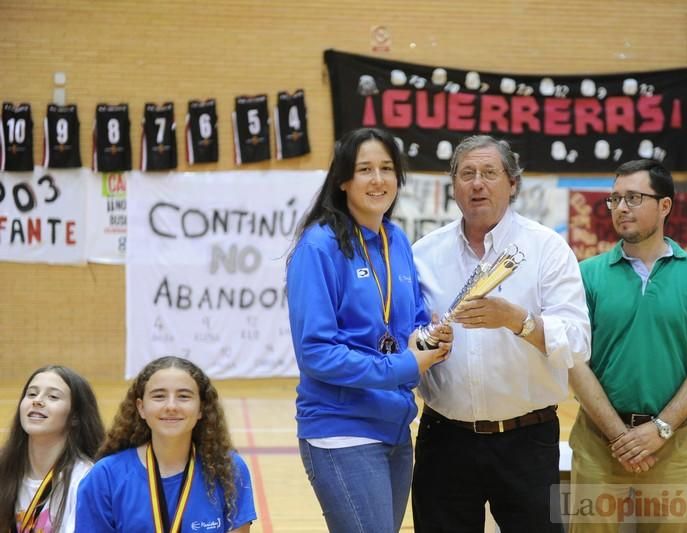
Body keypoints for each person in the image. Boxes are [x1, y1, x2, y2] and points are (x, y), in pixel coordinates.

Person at [411, 135, 591, 532]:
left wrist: (518, 321)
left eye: (490, 173)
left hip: (527, 439)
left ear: (513, 183)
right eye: (467, 174)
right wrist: (427, 340)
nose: (478, 183)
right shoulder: (423, 255)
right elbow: (407, 338)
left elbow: (578, 341)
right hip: (445, 438)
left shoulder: (547, 248)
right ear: (453, 186)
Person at [286, 127, 452, 533]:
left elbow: (409, 321)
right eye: (365, 169)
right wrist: (405, 366)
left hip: (395, 426)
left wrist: (428, 339)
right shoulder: (319, 246)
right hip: (341, 428)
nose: (378, 180)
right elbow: (317, 352)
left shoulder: (395, 239)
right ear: (343, 179)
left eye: (386, 169)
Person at [568, 159, 687, 532]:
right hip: (599, 444)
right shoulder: (586, 274)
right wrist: (619, 436)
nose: (621, 207)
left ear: (665, 206)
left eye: (634, 198)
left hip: (672, 445)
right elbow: (574, 362)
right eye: (615, 199)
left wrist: (660, 429)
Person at [76, 356, 256, 532]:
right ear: (141, 408)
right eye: (159, 396)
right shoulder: (105, 476)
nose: (171, 406)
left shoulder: (228, 469)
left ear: (201, 408)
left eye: (184, 396)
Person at [0, 365, 104, 533]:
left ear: (75, 417)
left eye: (53, 396)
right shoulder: (5, 468)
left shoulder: (85, 478)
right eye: (32, 394)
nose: (37, 400)